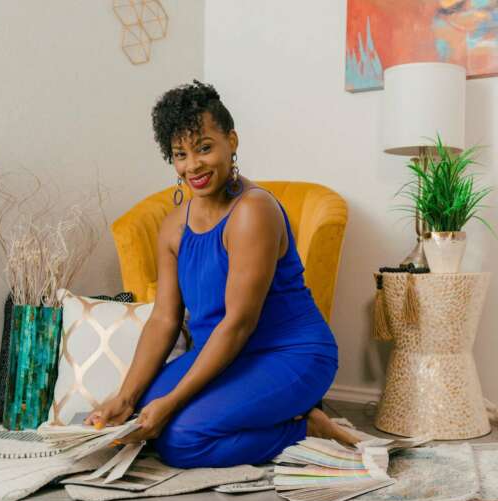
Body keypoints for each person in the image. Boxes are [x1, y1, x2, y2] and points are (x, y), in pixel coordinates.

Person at [86, 80, 358, 468]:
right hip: (223, 354)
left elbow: (238, 324)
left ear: (232, 141)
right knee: (138, 418)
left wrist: (172, 402)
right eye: (180, 154)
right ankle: (259, 416)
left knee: (181, 439)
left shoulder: (253, 211)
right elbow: (164, 320)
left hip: (289, 353)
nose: (192, 166)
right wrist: (124, 398)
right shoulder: (174, 226)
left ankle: (306, 428)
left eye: (204, 148)